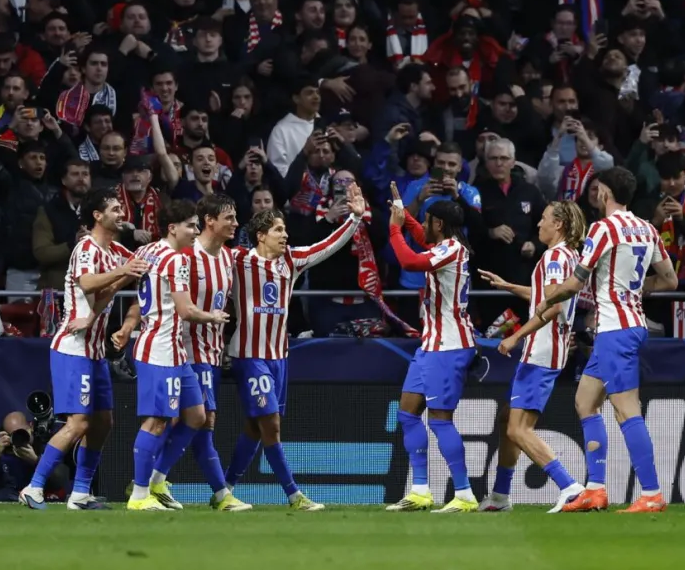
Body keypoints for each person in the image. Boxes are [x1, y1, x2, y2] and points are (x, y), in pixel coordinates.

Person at [534, 167, 678, 513]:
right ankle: (596, 489)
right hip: (628, 325)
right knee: (585, 401)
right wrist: (633, 292)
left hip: (616, 330)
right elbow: (670, 279)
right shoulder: (647, 228)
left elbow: (576, 282)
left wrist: (547, 301)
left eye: (596, 190)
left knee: (628, 411)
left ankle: (652, 493)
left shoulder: (602, 229)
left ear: (603, 194)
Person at [222, 183, 366, 511]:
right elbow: (204, 254)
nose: (284, 235)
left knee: (255, 427)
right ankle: (293, 494)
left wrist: (354, 219)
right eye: (277, 230)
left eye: (285, 229)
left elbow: (327, 245)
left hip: (279, 356)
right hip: (248, 354)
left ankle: (225, 487)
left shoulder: (292, 260)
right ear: (260, 235)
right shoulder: (238, 259)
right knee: (270, 423)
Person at [19, 189, 147, 510]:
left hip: (94, 351)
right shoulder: (85, 248)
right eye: (115, 209)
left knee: (103, 422)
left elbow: (110, 291)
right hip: (72, 348)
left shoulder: (116, 250)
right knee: (78, 422)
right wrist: (123, 272)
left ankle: (80, 494)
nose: (122, 213)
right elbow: (88, 284)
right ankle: (33, 488)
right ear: (97, 216)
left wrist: (112, 301)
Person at [477, 201, 588, 513]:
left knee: (518, 429)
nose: (538, 224)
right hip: (550, 349)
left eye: (543, 219)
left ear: (559, 225)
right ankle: (499, 496)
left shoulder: (554, 257)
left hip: (541, 349)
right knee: (507, 420)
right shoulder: (567, 256)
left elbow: (552, 308)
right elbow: (546, 296)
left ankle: (570, 487)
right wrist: (508, 285)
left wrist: (515, 336)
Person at [122, 199, 230, 511]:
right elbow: (186, 310)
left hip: (173, 350)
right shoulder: (175, 260)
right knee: (158, 421)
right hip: (160, 349)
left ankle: (157, 479)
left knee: (196, 415)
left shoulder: (147, 251)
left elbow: (127, 275)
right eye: (191, 226)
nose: (196, 232)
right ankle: (140, 496)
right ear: (173, 228)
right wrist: (214, 317)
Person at [386, 188, 479, 513]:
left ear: (438, 223)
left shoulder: (451, 250)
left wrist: (394, 227)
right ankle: (421, 491)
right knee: (408, 413)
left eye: (426, 220)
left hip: (450, 346)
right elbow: (421, 239)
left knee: (440, 420)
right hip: (432, 345)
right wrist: (402, 211)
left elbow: (410, 260)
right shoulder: (447, 245)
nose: (421, 224)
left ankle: (465, 494)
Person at [182, 195, 250, 511]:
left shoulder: (227, 257)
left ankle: (150, 480)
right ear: (210, 220)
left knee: (196, 420)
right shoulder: (187, 255)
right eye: (230, 218)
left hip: (210, 351)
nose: (236, 224)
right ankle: (221, 494)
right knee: (201, 419)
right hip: (185, 350)